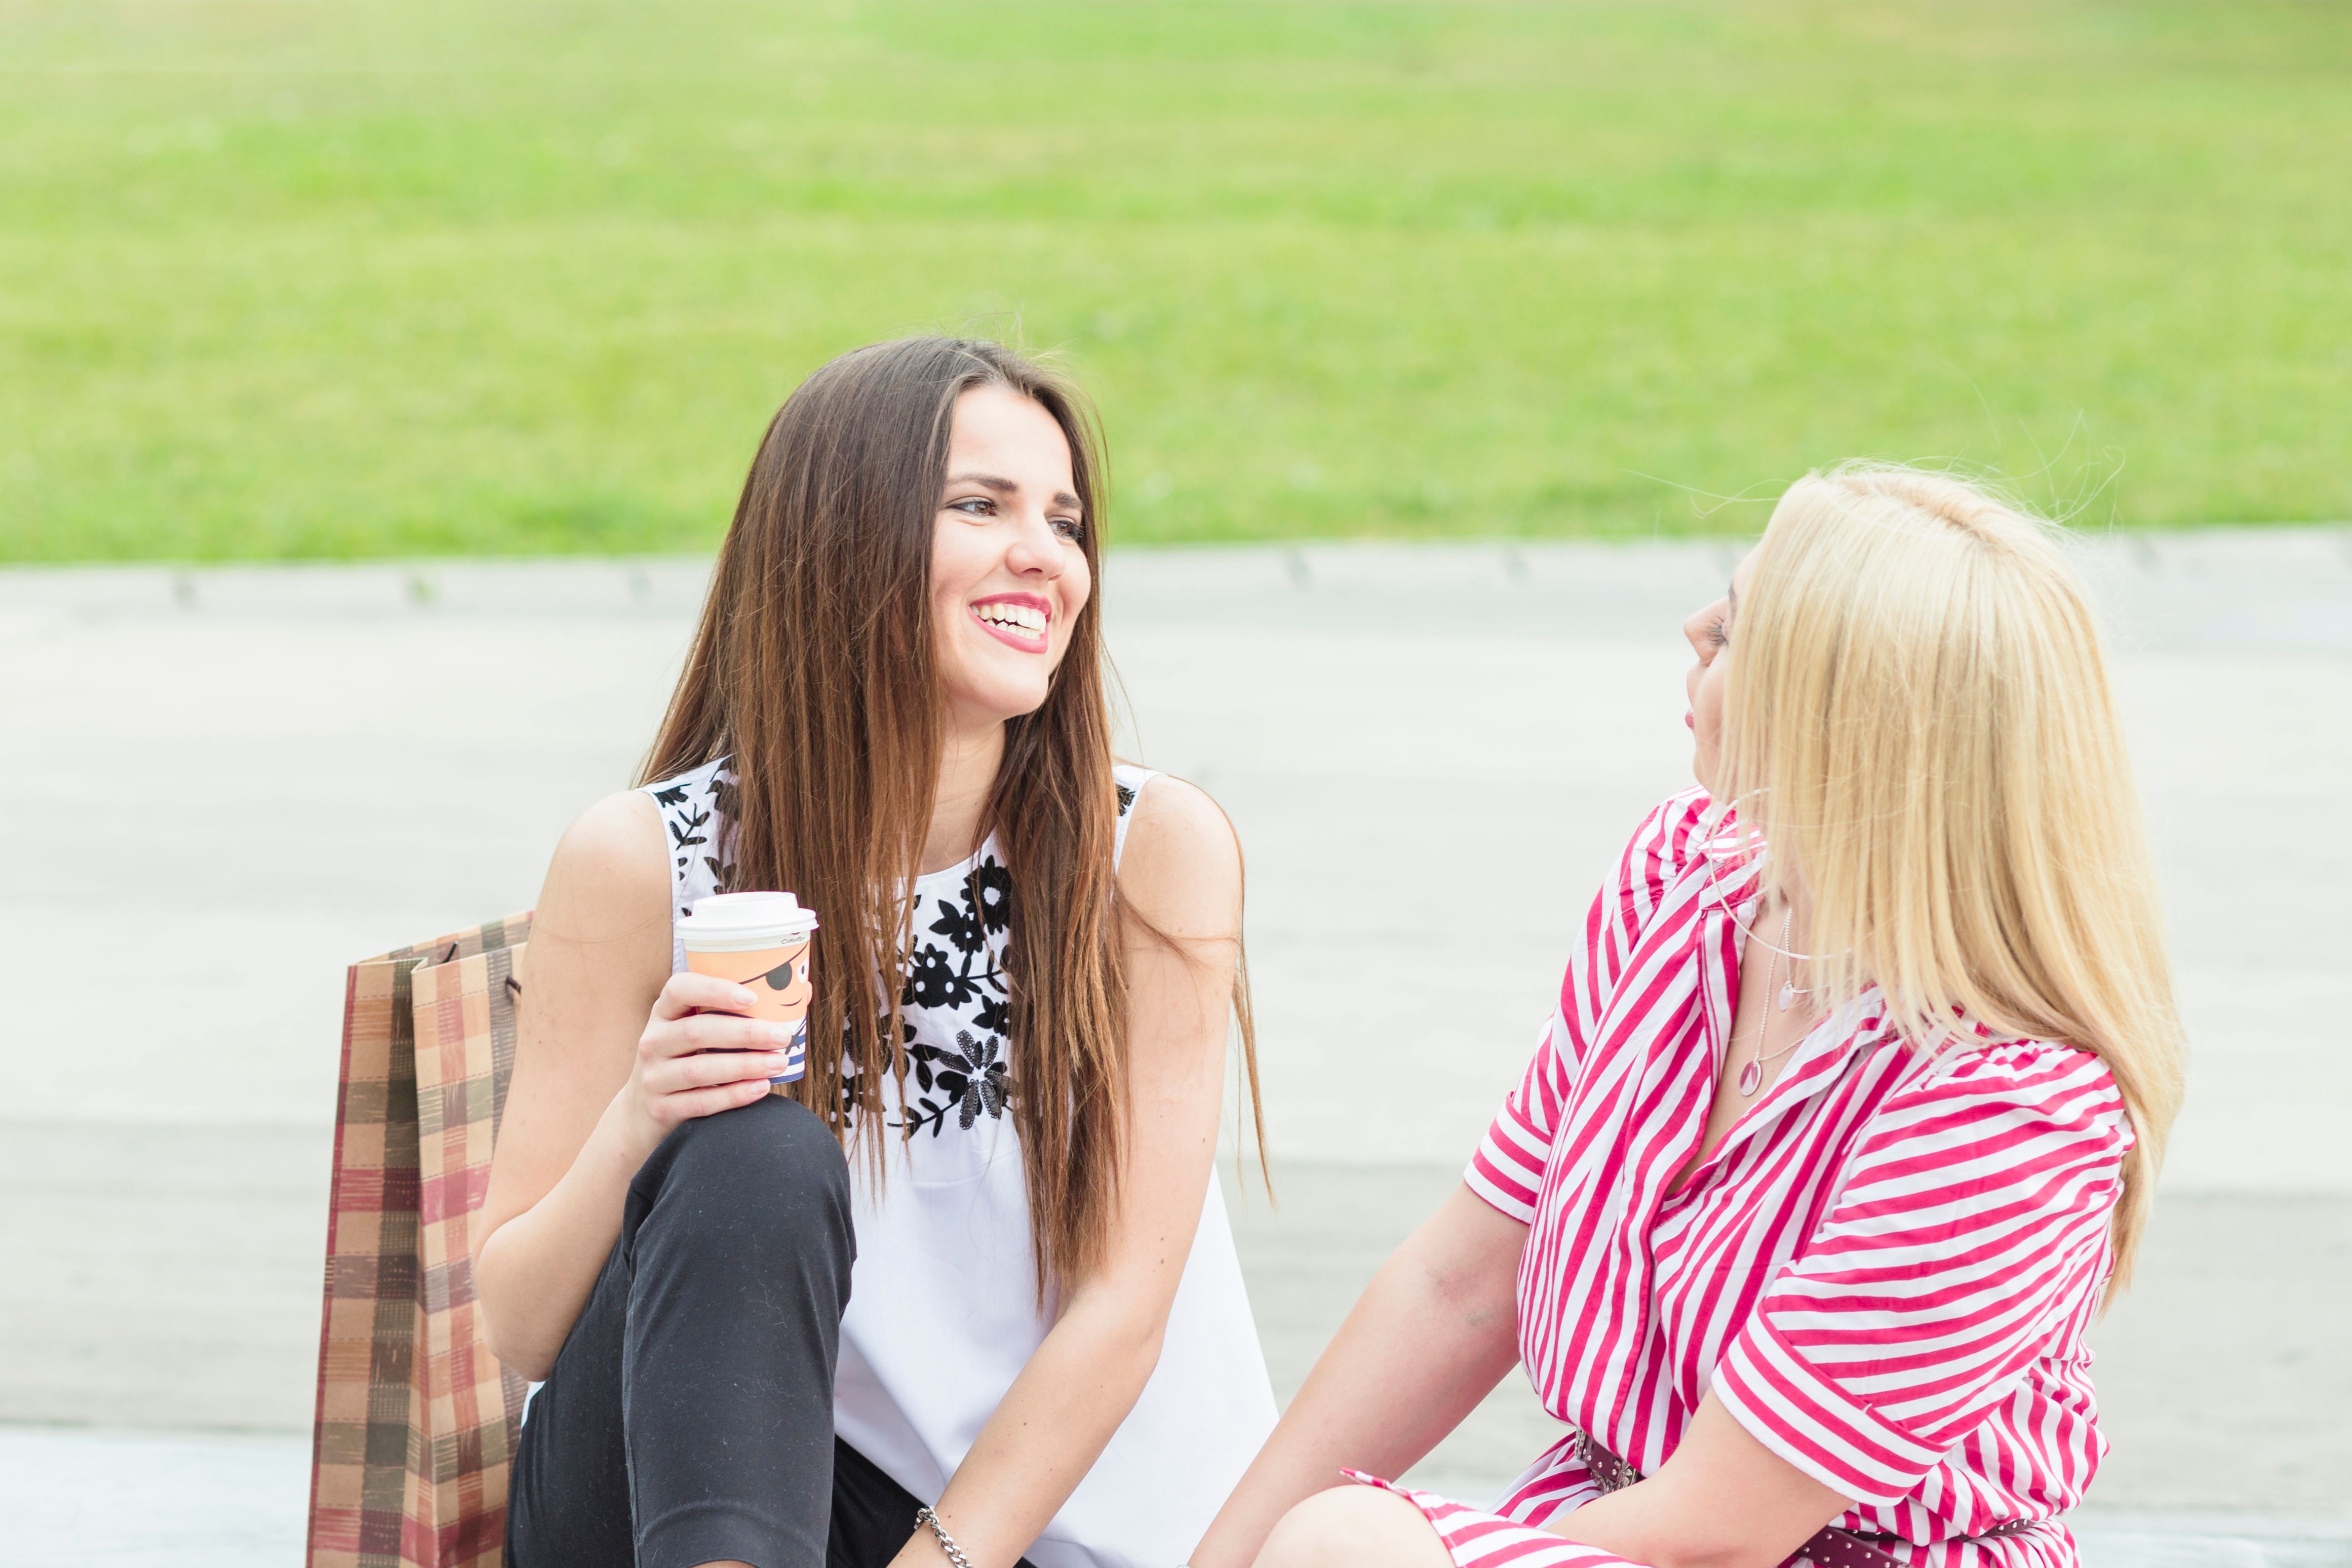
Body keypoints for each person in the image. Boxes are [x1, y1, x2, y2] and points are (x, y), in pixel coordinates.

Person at [1190, 465, 2185, 1568]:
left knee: (1352, 1549)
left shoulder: (2012, 1110)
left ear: (1838, 717)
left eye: (1743, 624)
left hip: (1786, 1551)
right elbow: (1462, 1286)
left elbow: (1715, 1534)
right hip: (1607, 1528)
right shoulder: (1678, 881)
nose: (1697, 628)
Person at [475, 336, 1276, 1568]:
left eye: (1064, 522)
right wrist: (640, 1119)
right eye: (980, 506)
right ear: (839, 539)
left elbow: (1123, 1311)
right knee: (748, 1153)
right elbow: (526, 1333)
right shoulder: (645, 862)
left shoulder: (1149, 853)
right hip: (701, 1496)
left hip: (1019, 1529)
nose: (1043, 557)